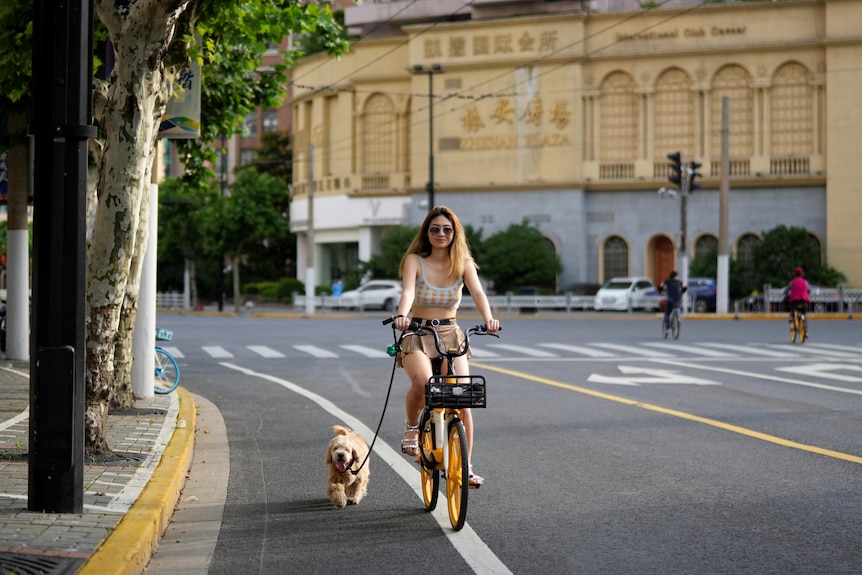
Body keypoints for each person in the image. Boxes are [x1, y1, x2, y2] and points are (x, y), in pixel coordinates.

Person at [392, 206, 500, 486]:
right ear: (427, 233)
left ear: (455, 233)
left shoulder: (463, 262)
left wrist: (489, 319)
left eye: (447, 229)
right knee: (423, 383)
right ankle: (412, 427)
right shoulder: (415, 260)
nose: (441, 234)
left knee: (463, 397)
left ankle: (466, 467)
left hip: (451, 333)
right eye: (435, 229)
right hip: (417, 331)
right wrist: (402, 315)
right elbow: (408, 291)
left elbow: (477, 292)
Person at [783, 266, 810, 337]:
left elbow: (786, 290)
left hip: (795, 302)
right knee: (804, 315)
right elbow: (809, 290)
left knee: (793, 309)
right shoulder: (805, 282)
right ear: (802, 274)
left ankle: (792, 317)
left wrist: (784, 292)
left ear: (794, 274)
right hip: (804, 301)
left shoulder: (792, 282)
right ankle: (806, 331)